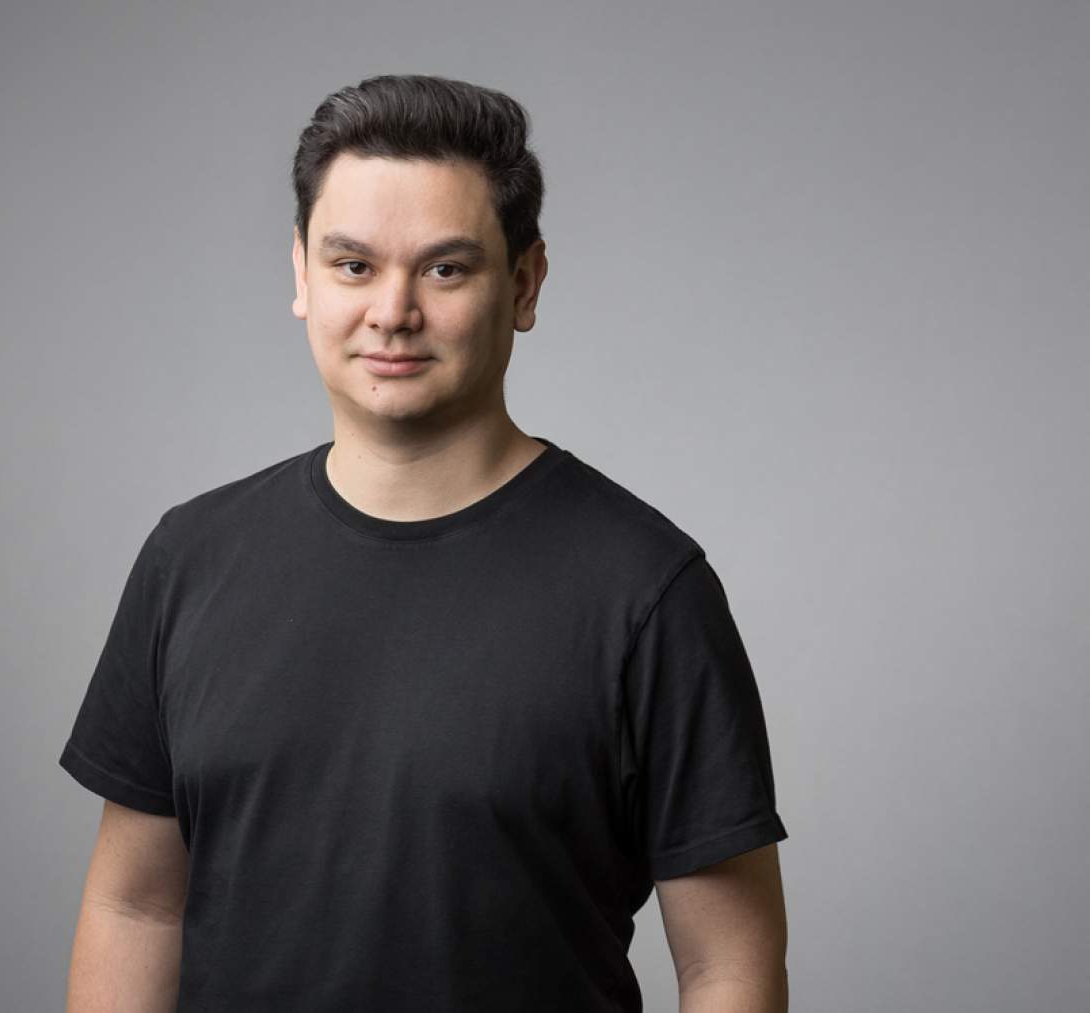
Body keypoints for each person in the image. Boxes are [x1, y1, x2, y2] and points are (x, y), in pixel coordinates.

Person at [58, 73, 789, 1012]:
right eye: (353, 265)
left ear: (523, 283)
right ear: (301, 274)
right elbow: (135, 907)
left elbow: (728, 965)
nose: (392, 312)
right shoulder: (188, 561)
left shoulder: (646, 589)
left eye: (445, 269)